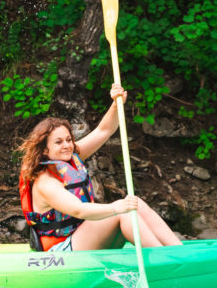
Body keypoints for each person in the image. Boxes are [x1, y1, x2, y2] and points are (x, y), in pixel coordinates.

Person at [17, 84, 183, 252]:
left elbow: (104, 131)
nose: (67, 145)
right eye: (59, 142)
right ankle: (164, 260)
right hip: (59, 250)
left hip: (83, 235)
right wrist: (116, 208)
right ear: (45, 150)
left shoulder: (70, 157)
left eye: (68, 139)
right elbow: (78, 210)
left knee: (136, 203)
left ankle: (179, 251)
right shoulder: (45, 181)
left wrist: (115, 104)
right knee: (124, 211)